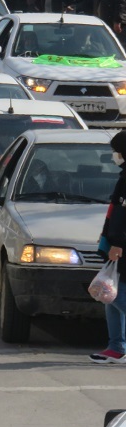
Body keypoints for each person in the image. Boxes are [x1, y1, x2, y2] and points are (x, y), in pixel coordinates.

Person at [91, 130, 126, 363]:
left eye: (117, 151)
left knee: (117, 296)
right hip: (115, 244)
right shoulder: (124, 176)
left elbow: (123, 215)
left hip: (121, 246)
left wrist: (118, 243)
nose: (115, 155)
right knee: (109, 294)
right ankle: (116, 347)